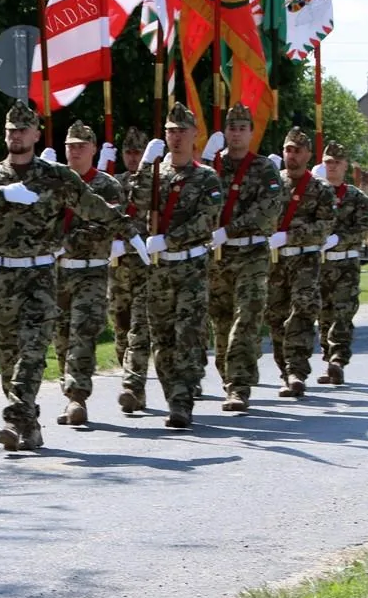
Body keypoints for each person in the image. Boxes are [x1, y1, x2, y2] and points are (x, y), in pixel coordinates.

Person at [0, 100, 144, 450]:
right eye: (11, 130)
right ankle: (29, 425)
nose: (16, 136)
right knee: (6, 352)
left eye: (23, 130)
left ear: (36, 135)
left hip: (41, 273)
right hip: (4, 274)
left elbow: (91, 204)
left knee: (34, 347)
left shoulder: (54, 176)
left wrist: (128, 229)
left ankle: (15, 415)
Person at [129, 102, 223, 428]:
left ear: (195, 135)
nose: (176, 137)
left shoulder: (206, 178)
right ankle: (173, 395)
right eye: (170, 131)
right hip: (159, 270)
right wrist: (144, 166)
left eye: (182, 131)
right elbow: (136, 203)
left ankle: (182, 401)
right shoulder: (155, 172)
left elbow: (206, 221)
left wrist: (169, 239)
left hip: (191, 267)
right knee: (162, 338)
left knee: (188, 336)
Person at [207, 103, 285, 411]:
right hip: (218, 256)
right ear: (225, 132)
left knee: (247, 316)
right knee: (222, 321)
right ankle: (230, 376)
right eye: (232, 128)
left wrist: (231, 229)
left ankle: (238, 386)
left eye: (242, 128)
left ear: (251, 133)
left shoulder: (264, 168)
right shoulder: (212, 167)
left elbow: (269, 211)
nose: (236, 134)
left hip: (251, 252)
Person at [52, 121, 126, 426]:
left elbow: (103, 229)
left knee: (83, 331)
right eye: (70, 146)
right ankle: (68, 389)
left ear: (93, 149)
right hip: (58, 273)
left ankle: (77, 397)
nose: (75, 152)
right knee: (60, 336)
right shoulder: (55, 182)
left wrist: (63, 242)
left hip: (91, 272)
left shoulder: (107, 186)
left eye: (81, 146)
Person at [265, 126, 333, 397]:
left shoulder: (320, 189)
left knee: (302, 313)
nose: (291, 155)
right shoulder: (272, 184)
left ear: (307, 155)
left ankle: (297, 371)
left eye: (297, 151)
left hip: (305, 260)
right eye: (287, 150)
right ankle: (284, 370)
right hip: (275, 261)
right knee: (275, 317)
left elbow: (325, 226)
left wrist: (290, 236)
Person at [315, 144, 368, 385]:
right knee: (323, 314)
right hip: (320, 264)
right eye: (328, 162)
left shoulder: (356, 197)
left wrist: (338, 239)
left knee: (343, 313)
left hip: (345, 263)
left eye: (337, 162)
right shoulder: (315, 193)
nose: (332, 166)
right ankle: (328, 360)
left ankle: (338, 359)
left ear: (345, 166)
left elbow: (363, 228)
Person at [109, 126, 153, 412]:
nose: (133, 157)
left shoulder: (155, 183)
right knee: (121, 330)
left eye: (138, 152)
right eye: (129, 152)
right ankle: (135, 386)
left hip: (145, 269)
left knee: (140, 329)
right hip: (117, 270)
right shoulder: (114, 182)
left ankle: (132, 385)